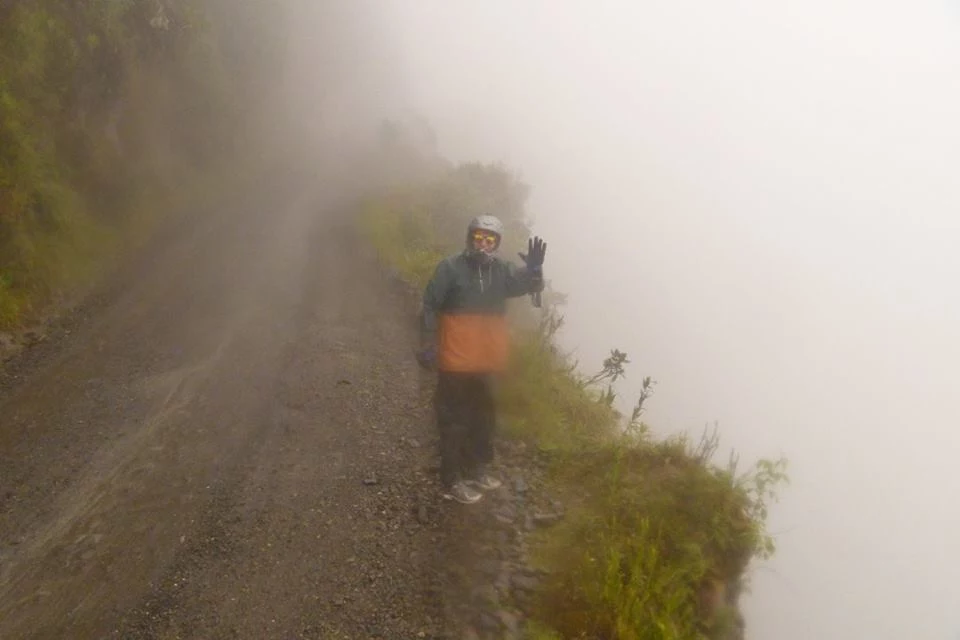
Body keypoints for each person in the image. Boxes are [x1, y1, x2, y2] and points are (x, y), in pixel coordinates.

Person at [416, 214, 547, 504]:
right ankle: (452, 480)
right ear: (469, 237)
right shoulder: (450, 268)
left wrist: (535, 271)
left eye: (490, 239)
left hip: (487, 360)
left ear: (497, 243)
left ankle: (477, 470)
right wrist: (427, 343)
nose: (483, 244)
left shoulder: (502, 271)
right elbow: (429, 304)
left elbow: (527, 286)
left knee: (484, 418)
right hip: (455, 358)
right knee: (453, 419)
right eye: (479, 237)